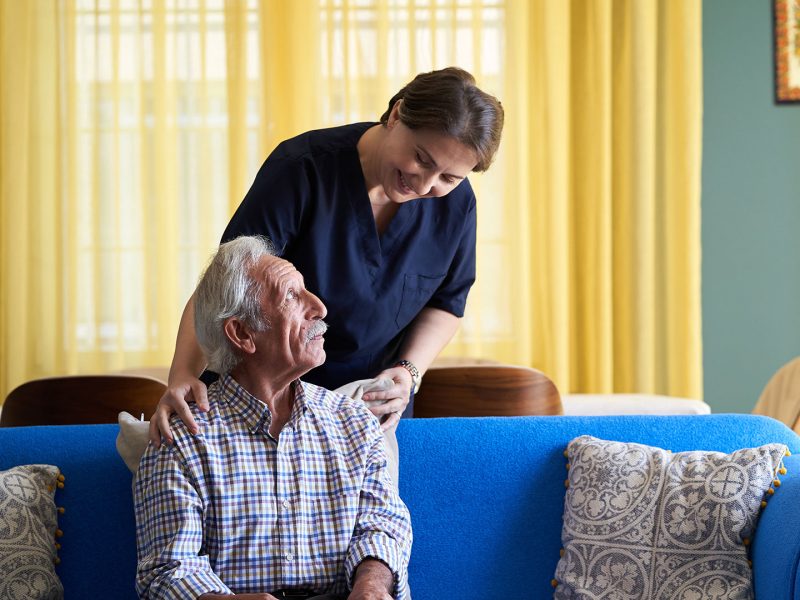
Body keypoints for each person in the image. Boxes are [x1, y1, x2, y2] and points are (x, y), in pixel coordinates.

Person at [150, 66, 504, 445]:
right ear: (397, 114)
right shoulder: (303, 169)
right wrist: (183, 375)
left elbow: (447, 302)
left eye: (449, 178)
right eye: (422, 158)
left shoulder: (457, 206)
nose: (425, 184)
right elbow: (224, 284)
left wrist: (409, 371)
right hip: (267, 396)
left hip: (367, 406)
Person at [134, 236, 412, 600]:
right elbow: (169, 569)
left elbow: (382, 525)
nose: (320, 308)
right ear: (243, 333)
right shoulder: (181, 437)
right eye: (292, 296)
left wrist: (371, 585)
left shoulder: (354, 421)